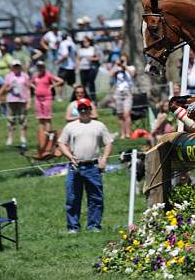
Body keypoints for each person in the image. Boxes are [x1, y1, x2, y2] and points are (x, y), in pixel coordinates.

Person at [58, 98, 113, 233]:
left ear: (90, 109)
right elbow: (61, 143)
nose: (83, 111)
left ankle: (94, 225)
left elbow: (108, 142)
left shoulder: (99, 125)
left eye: (85, 108)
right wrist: (69, 156)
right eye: (80, 108)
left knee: (95, 198)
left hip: (93, 167)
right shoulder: (70, 126)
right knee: (72, 198)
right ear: (78, 110)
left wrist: (104, 159)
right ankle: (73, 227)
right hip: (75, 167)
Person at [0, 60, 30, 150]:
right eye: (15, 66)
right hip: (11, 100)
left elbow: (28, 89)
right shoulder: (8, 76)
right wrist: (10, 87)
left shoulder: (25, 76)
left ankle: (23, 138)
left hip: (22, 100)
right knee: (10, 119)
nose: (16, 68)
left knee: (22, 119)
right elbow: (5, 89)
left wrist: (29, 101)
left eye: (18, 66)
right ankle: (10, 138)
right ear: (12, 67)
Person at [31, 60, 64, 135]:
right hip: (38, 98)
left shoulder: (48, 75)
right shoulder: (35, 76)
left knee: (47, 117)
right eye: (38, 67)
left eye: (41, 67)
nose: (40, 68)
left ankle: (48, 134)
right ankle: (42, 135)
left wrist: (52, 86)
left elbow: (60, 81)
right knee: (40, 117)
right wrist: (35, 87)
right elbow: (30, 82)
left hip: (47, 98)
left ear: (44, 67)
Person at [110, 57, 134, 139]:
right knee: (120, 114)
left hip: (127, 91)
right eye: (121, 60)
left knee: (126, 114)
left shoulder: (130, 67)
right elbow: (110, 74)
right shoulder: (117, 68)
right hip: (118, 91)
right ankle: (122, 134)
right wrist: (116, 65)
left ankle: (128, 133)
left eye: (124, 60)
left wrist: (124, 66)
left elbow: (133, 74)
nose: (122, 61)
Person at [76, 35, 101, 101]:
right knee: (83, 85)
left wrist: (92, 58)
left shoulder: (92, 49)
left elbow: (98, 58)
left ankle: (93, 98)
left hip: (90, 68)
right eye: (84, 42)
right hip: (82, 68)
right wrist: (77, 68)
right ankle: (84, 98)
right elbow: (78, 59)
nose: (85, 43)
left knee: (91, 83)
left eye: (87, 41)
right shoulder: (80, 50)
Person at [56, 32, 76, 101]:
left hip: (64, 66)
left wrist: (58, 62)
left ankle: (60, 98)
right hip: (71, 66)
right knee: (72, 83)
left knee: (60, 82)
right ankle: (80, 93)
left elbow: (65, 55)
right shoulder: (72, 43)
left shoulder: (63, 43)